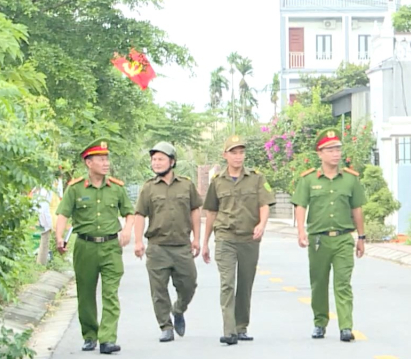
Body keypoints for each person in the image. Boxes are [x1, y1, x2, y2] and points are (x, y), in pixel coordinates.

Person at [55, 138, 134, 355]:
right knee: (86, 292)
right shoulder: (75, 188)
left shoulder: (116, 188)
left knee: (110, 292)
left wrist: (127, 230)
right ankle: (90, 334)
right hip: (85, 246)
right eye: (100, 159)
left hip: (110, 246)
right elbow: (63, 214)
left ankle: (107, 338)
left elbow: (129, 212)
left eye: (107, 158)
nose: (106, 163)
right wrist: (59, 236)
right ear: (88, 163)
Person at [291, 128, 367, 342]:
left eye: (338, 149)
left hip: (343, 238)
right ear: (320, 153)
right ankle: (320, 322)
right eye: (331, 149)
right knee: (319, 282)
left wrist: (361, 237)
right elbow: (300, 206)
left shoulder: (350, 179)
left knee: (342, 283)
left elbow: (357, 209)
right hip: (318, 239)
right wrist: (300, 231)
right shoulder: (308, 180)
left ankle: (345, 326)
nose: (336, 153)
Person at [202, 134, 275, 345]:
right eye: (233, 152)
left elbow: (264, 204)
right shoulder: (217, 182)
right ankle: (229, 329)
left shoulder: (256, 178)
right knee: (227, 283)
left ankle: (241, 326)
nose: (238, 157)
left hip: (248, 239)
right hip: (225, 237)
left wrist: (262, 224)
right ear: (225, 155)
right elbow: (212, 213)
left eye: (241, 152)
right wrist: (205, 241)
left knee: (245, 284)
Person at [133, 141, 203, 343]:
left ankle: (178, 309)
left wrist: (196, 238)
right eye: (154, 159)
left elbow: (195, 211)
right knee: (158, 290)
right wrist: (138, 242)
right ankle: (165, 326)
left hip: (182, 246)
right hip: (157, 247)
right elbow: (139, 215)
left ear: (172, 162)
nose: (156, 163)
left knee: (189, 284)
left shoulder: (186, 185)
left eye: (161, 159)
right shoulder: (148, 188)